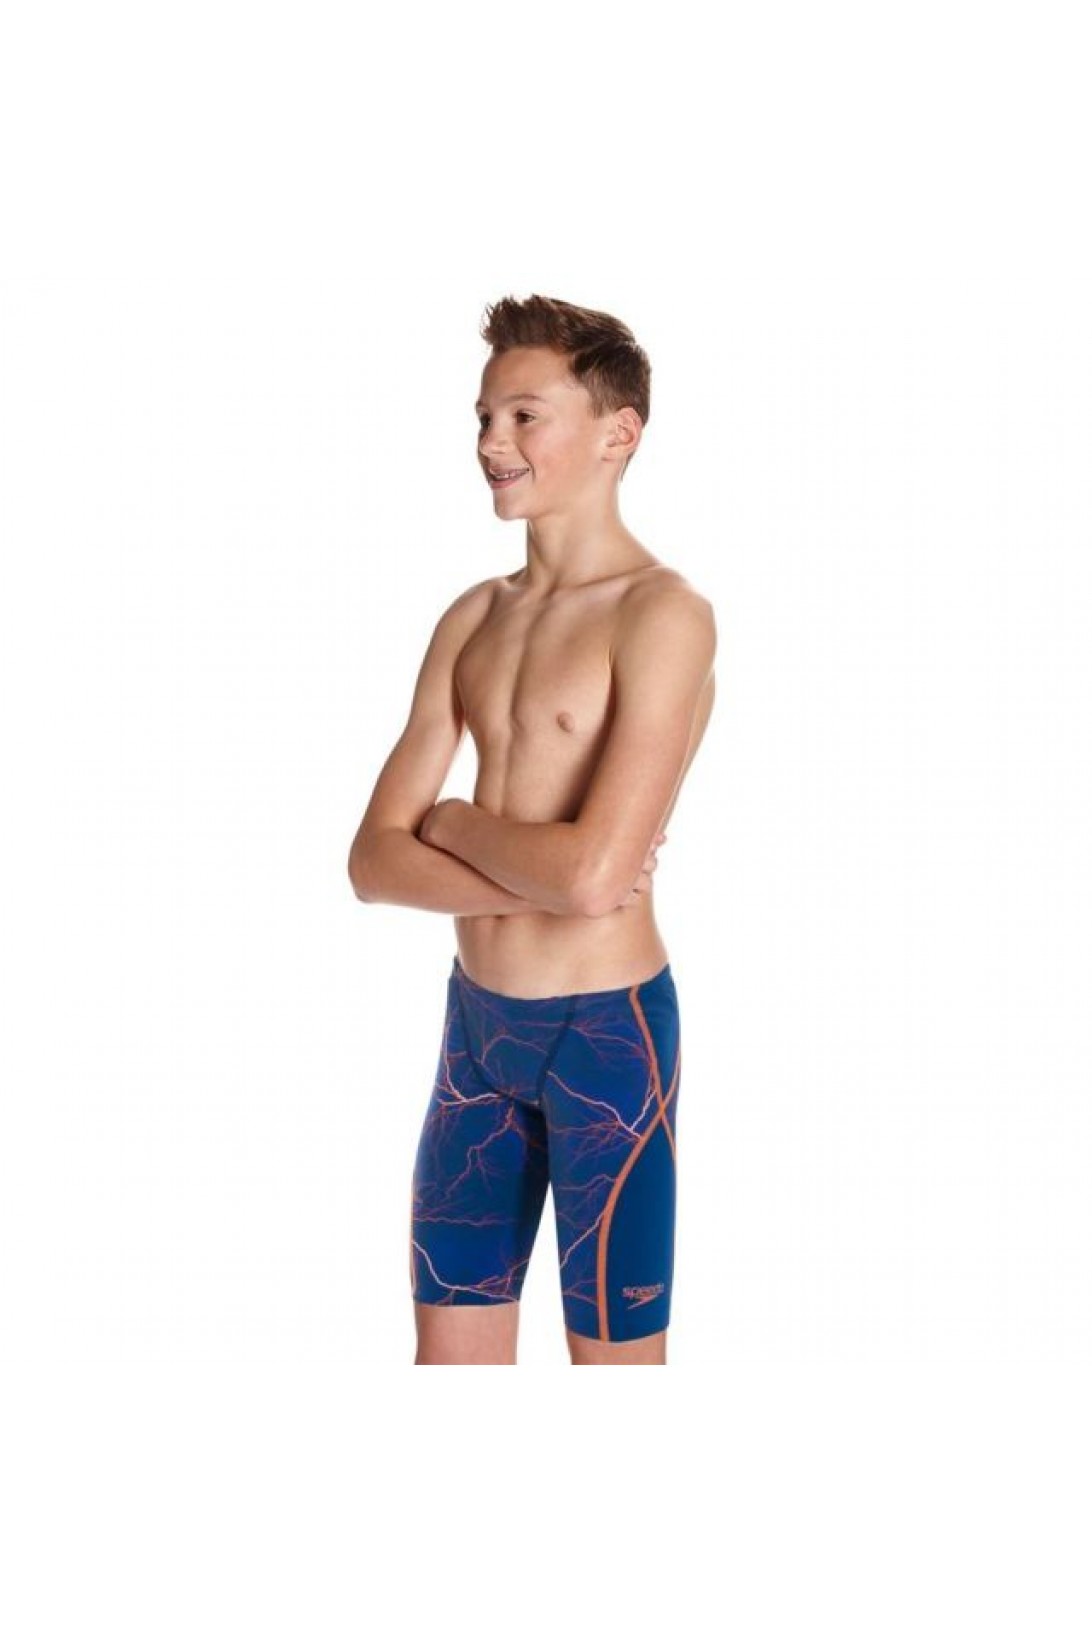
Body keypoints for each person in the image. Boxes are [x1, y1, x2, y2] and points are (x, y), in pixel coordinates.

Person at [348, 293, 716, 1365]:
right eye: (483, 417)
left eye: (523, 417)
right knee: (449, 1368)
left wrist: (454, 822)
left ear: (617, 432)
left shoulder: (663, 613)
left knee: (615, 1373)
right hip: (478, 1034)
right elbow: (372, 862)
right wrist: (538, 875)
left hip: (607, 1036)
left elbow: (596, 875)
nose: (490, 443)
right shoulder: (473, 616)